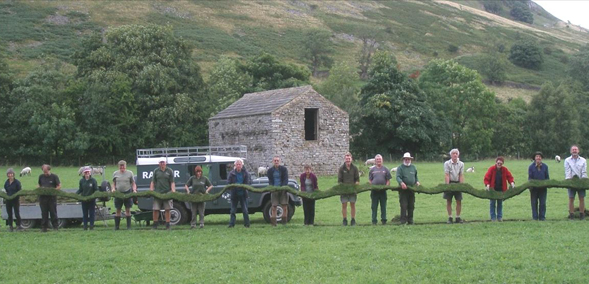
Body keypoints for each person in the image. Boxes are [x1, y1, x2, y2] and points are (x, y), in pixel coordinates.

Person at [484, 156, 515, 222]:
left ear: (502, 164)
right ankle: (493, 218)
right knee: (492, 204)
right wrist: (487, 184)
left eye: (501, 163)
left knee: (500, 204)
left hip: (501, 189)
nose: (499, 164)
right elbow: (487, 177)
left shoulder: (504, 169)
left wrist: (512, 182)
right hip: (493, 190)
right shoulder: (491, 169)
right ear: (496, 162)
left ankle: (499, 217)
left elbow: (509, 177)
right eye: (498, 163)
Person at [150, 157, 176, 230]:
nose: (162, 164)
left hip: (167, 193)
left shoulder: (169, 171)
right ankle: (155, 225)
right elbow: (153, 181)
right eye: (161, 162)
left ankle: (168, 225)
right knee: (155, 209)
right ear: (159, 163)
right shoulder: (156, 171)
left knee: (167, 209)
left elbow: (172, 182)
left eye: (163, 162)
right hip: (157, 193)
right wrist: (151, 190)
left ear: (165, 163)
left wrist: (173, 190)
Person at [396, 152, 420, 225]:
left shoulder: (413, 167)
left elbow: (416, 177)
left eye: (408, 159)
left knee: (411, 205)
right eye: (406, 159)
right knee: (403, 205)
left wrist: (417, 182)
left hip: (412, 190)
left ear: (410, 159)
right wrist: (401, 183)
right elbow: (398, 177)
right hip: (403, 190)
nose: (407, 160)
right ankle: (403, 221)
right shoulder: (400, 168)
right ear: (404, 159)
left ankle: (410, 220)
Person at [112, 160, 137, 230]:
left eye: (123, 165)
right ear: (119, 166)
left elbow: (133, 183)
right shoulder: (115, 173)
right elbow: (113, 183)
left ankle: (128, 227)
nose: (122, 167)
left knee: (128, 209)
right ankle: (117, 227)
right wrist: (113, 189)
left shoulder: (130, 173)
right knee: (118, 210)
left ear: (125, 166)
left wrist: (134, 190)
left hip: (127, 192)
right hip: (118, 193)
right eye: (121, 165)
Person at [564, 145, 587, 220]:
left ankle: (582, 214)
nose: (574, 151)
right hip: (571, 181)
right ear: (571, 151)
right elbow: (567, 171)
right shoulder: (567, 160)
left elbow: (584, 172)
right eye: (573, 149)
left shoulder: (583, 160)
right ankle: (571, 215)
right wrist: (569, 181)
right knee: (571, 198)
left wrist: (583, 181)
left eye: (576, 149)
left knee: (582, 198)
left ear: (578, 151)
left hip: (581, 181)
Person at [227, 158, 251, 228]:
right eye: (237, 164)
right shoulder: (231, 173)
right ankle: (231, 224)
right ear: (235, 165)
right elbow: (228, 183)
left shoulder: (245, 173)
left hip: (243, 194)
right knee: (233, 210)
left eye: (239, 164)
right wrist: (232, 187)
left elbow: (248, 182)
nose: (238, 165)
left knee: (245, 210)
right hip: (234, 194)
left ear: (242, 165)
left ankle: (247, 224)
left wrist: (244, 187)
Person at [368, 154, 391, 225]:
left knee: (383, 206)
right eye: (377, 159)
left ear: (382, 160)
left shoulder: (386, 169)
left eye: (380, 159)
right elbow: (370, 180)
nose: (378, 161)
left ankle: (384, 220)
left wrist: (386, 186)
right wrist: (372, 186)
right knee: (374, 206)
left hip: (383, 191)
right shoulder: (372, 170)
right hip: (374, 191)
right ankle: (374, 220)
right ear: (375, 161)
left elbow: (388, 180)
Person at [338, 152, 360, 226]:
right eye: (346, 159)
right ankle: (344, 220)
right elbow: (339, 180)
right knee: (344, 204)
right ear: (345, 159)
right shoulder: (341, 168)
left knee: (352, 204)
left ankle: (353, 220)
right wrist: (342, 187)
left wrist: (355, 185)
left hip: (352, 190)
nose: (348, 160)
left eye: (349, 159)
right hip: (344, 190)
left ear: (351, 159)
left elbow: (357, 179)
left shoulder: (355, 168)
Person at [267, 156, 289, 226]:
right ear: (273, 162)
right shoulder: (270, 171)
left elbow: (286, 179)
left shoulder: (284, 169)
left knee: (284, 206)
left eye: (277, 161)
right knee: (274, 207)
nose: (276, 162)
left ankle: (284, 223)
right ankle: (273, 224)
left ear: (280, 161)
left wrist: (282, 187)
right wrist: (272, 187)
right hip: (274, 189)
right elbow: (270, 180)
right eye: (275, 161)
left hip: (282, 189)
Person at [444, 149, 465, 224]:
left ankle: (457, 217)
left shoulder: (461, 164)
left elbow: (461, 175)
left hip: (457, 182)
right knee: (448, 200)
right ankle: (450, 217)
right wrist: (447, 186)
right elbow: (447, 174)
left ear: (458, 155)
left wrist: (461, 186)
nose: (455, 155)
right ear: (451, 155)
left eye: (456, 153)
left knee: (459, 201)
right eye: (453, 153)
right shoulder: (447, 163)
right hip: (449, 182)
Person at [38, 164, 61, 232]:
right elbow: (39, 184)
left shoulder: (54, 177)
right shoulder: (41, 177)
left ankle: (55, 227)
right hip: (43, 198)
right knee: (44, 213)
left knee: (53, 212)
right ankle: (44, 227)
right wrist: (40, 189)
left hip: (52, 198)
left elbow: (59, 186)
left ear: (49, 170)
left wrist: (53, 191)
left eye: (46, 171)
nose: (45, 173)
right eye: (44, 172)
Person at [528, 152, 549, 221]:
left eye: (539, 156)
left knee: (542, 203)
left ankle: (542, 217)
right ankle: (535, 217)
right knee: (534, 203)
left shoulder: (545, 167)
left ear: (541, 158)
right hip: (534, 189)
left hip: (543, 188)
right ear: (534, 158)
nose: (538, 158)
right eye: (537, 156)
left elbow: (547, 177)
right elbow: (530, 178)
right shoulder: (531, 167)